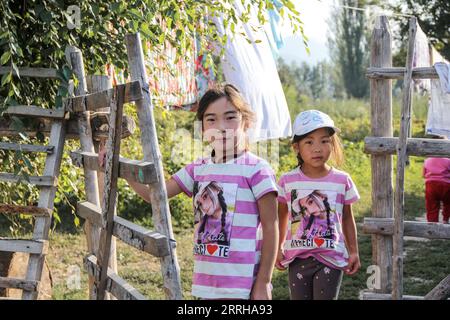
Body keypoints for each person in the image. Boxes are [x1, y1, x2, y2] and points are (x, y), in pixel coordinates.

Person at [99, 84, 279, 300]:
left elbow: (271, 227)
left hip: (244, 285)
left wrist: (264, 281)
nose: (221, 126)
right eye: (211, 119)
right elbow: (154, 194)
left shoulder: (257, 169)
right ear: (202, 128)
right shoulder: (198, 169)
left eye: (230, 117)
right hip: (207, 283)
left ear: (246, 122)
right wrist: (121, 166)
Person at [276, 109, 360, 300]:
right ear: (296, 147)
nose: (317, 148)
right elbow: (281, 216)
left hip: (330, 258)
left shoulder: (342, 180)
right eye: (309, 142)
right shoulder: (287, 181)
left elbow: (347, 217)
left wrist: (353, 251)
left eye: (324, 141)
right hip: (298, 257)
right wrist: (278, 248)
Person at [423, 136, 450, 224]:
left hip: (431, 184)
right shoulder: (448, 161)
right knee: (448, 203)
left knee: (431, 205)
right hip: (446, 185)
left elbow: (423, 174)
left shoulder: (427, 160)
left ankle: (432, 223)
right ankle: (445, 220)